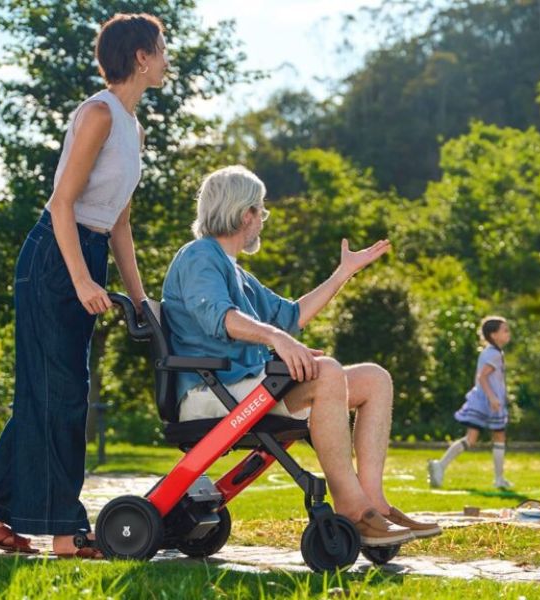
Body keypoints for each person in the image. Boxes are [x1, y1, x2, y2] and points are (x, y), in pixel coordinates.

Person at [0, 13, 168, 558]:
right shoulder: (98, 113)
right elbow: (62, 204)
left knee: (51, 394)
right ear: (141, 56)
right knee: (63, 395)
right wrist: (79, 280)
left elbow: (118, 221)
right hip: (55, 254)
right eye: (162, 49)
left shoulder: (133, 126)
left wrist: (141, 299)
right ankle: (64, 531)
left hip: (85, 251)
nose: (168, 59)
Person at [161, 165, 441, 547]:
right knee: (325, 372)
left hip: (243, 391)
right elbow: (220, 318)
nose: (263, 219)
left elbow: (290, 317)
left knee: (374, 379)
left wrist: (343, 273)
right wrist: (277, 339)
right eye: (261, 211)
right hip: (212, 392)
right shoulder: (198, 257)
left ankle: (374, 503)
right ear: (247, 215)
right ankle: (353, 511)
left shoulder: (235, 271)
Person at [428, 316, 512, 489]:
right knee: (497, 435)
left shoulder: (491, 352)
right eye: (505, 330)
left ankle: (440, 465)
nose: (508, 333)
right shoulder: (494, 354)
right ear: (493, 335)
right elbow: (482, 377)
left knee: (472, 438)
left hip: (482, 401)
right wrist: (493, 398)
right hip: (487, 403)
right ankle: (498, 479)